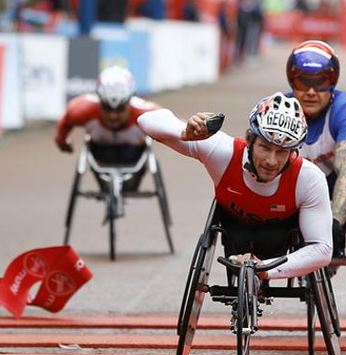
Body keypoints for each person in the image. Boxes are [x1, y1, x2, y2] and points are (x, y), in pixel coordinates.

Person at [137, 92, 333, 280]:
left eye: (282, 152)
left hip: (281, 239)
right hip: (233, 231)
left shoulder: (309, 178)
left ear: (293, 151)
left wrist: (266, 270)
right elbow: (146, 121)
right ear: (250, 140)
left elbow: (322, 249)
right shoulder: (221, 151)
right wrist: (184, 132)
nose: (272, 161)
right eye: (265, 148)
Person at [285, 39, 346, 257]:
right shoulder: (275, 107)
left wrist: (335, 221)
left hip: (329, 186)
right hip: (286, 188)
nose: (311, 92)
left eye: (320, 83)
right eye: (303, 82)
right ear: (292, 81)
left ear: (332, 83)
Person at [55, 65, 159, 191]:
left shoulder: (148, 113)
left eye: (120, 109)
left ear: (129, 102)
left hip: (134, 155)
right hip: (100, 153)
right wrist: (62, 141)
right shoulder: (81, 110)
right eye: (107, 108)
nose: (113, 116)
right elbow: (66, 121)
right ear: (99, 101)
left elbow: (176, 126)